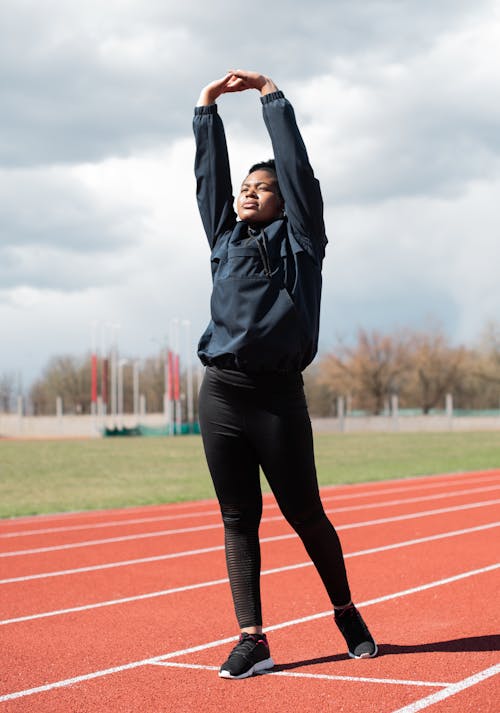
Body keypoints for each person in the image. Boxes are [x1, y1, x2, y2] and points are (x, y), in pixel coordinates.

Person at [193, 70, 377, 680]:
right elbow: (208, 180)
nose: (248, 193)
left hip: (277, 399)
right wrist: (206, 110)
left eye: (262, 187)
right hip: (220, 393)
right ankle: (253, 638)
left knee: (305, 514)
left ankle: (345, 611)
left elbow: (299, 174)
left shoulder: (303, 244)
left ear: (285, 201)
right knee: (238, 518)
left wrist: (272, 97)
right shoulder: (224, 238)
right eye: (246, 186)